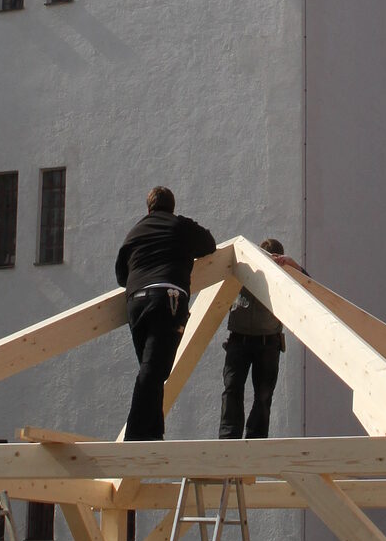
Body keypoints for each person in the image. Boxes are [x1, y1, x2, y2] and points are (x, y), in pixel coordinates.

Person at [115, 185, 216, 440]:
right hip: (167, 300)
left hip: (136, 303)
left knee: (153, 370)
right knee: (153, 370)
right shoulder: (178, 226)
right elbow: (209, 244)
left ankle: (154, 434)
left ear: (148, 208)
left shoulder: (134, 232)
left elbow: (120, 276)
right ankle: (135, 437)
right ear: (172, 207)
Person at [219, 238, 287, 439]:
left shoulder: (283, 277)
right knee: (233, 388)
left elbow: (308, 286)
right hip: (241, 339)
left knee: (262, 395)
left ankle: (254, 439)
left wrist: (291, 266)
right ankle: (229, 438)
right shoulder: (245, 272)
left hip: (266, 341)